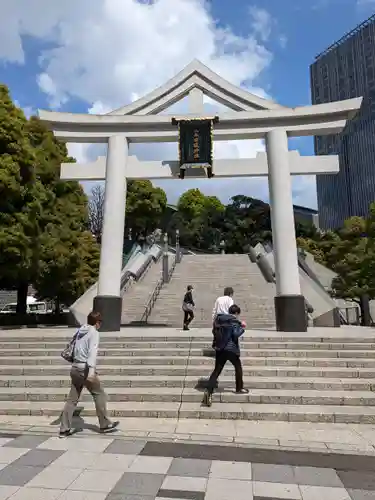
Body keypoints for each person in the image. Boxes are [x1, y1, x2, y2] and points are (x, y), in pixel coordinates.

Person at [59, 311, 119, 437]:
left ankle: (64, 429)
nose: (100, 325)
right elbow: (92, 352)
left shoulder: (80, 331)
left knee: (72, 399)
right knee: (99, 394)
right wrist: (91, 371)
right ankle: (105, 424)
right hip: (85, 369)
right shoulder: (94, 333)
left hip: (74, 367)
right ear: (97, 322)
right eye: (100, 322)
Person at [202, 304, 248, 407]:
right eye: (238, 314)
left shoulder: (219, 320)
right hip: (231, 349)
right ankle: (239, 388)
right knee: (238, 367)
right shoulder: (234, 321)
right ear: (236, 313)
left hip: (220, 349)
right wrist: (242, 327)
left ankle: (209, 391)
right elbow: (235, 334)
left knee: (217, 370)